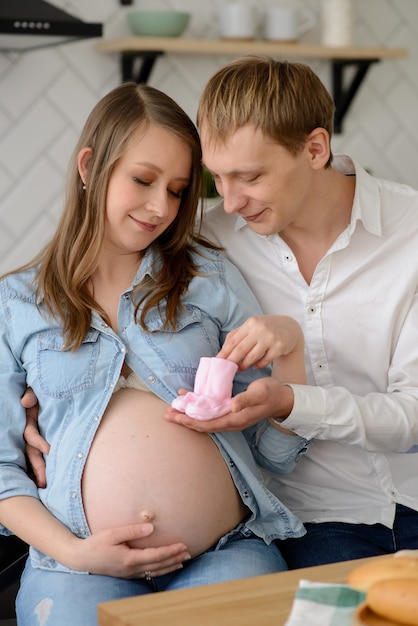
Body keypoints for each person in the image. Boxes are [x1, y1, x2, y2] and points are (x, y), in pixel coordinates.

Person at [0, 81, 309, 626]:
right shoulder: (15, 303)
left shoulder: (209, 279)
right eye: (143, 180)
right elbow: (2, 472)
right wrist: (76, 552)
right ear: (91, 166)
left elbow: (274, 451)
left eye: (177, 190)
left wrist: (291, 352)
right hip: (75, 566)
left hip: (220, 551)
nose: (160, 207)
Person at [164, 56, 418, 569]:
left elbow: (413, 416)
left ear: (315, 148)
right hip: (308, 522)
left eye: (250, 176)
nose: (231, 202)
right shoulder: (211, 245)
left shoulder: (411, 231)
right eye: (217, 179)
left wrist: (291, 401)